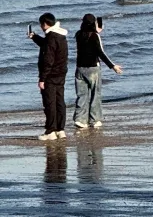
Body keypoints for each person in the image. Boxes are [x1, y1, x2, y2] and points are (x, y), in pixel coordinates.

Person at [73, 14, 123, 129]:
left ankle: (80, 119)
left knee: (81, 95)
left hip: (80, 68)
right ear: (93, 23)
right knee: (95, 94)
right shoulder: (94, 36)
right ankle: (94, 120)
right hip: (93, 68)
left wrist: (97, 31)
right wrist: (112, 66)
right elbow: (100, 52)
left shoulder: (78, 35)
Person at [27, 13, 68, 141]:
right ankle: (60, 129)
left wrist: (42, 79)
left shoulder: (51, 38)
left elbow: (48, 60)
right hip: (61, 73)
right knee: (59, 102)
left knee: (49, 103)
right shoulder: (60, 36)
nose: (41, 27)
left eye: (41, 24)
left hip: (51, 75)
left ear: (45, 24)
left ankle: (50, 131)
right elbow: (47, 45)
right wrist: (34, 37)